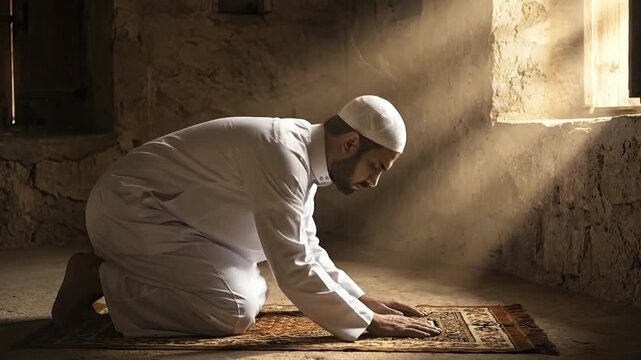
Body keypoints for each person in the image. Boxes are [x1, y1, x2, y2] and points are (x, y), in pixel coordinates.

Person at [51, 95, 442, 341]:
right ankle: (99, 278)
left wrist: (361, 298)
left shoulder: (302, 152)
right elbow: (293, 267)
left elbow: (306, 245)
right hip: (131, 210)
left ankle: (121, 275)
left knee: (249, 292)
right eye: (375, 166)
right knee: (231, 310)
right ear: (351, 142)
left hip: (178, 222)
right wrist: (368, 321)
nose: (373, 181)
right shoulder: (283, 153)